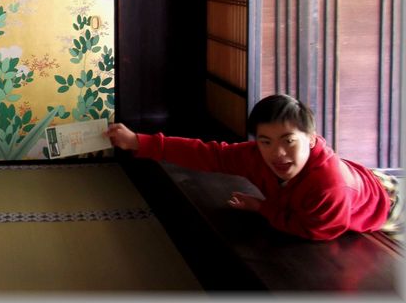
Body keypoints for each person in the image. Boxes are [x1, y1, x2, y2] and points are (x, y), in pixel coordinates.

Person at [104, 94, 402, 242]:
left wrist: (263, 208)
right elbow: (208, 154)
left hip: (387, 205)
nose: (278, 153)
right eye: (266, 141)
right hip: (364, 177)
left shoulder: (330, 187)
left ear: (311, 139)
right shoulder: (256, 156)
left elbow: (315, 232)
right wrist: (139, 142)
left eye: (289, 141)